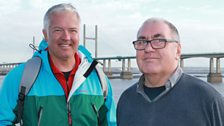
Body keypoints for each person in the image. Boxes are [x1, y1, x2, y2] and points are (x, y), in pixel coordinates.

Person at [0, 3, 117, 126]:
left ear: (78, 34)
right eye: (58, 30)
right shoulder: (21, 77)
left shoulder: (99, 79)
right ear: (45, 35)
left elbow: (111, 123)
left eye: (72, 30)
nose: (66, 37)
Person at [116, 17, 224, 126]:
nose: (148, 49)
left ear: (177, 51)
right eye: (142, 42)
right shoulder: (126, 99)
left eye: (159, 41)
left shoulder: (208, 99)